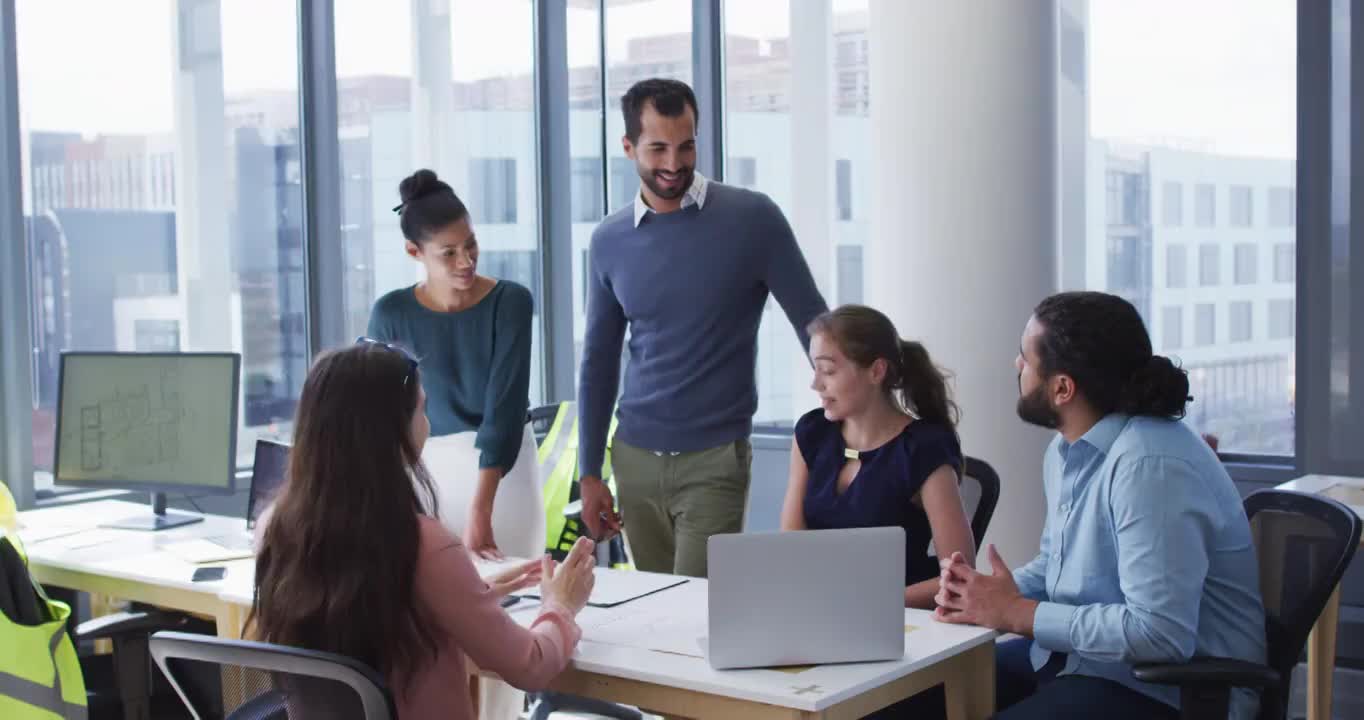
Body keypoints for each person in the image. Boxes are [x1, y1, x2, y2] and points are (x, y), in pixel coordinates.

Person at [935, 291, 1267, 720]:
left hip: (1172, 691)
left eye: (1025, 358)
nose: (1017, 366)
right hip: (1088, 663)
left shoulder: (1150, 465)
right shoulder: (1066, 450)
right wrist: (987, 595)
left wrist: (1019, 614)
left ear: (1062, 388)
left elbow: (1160, 634)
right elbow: (1060, 562)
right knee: (925, 695)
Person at [249, 342, 597, 720]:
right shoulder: (421, 545)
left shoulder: (274, 529)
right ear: (391, 430)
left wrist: (477, 596)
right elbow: (529, 665)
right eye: (421, 409)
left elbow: (368, 609)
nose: (428, 424)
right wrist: (561, 605)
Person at [578, 78, 829, 577]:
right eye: (658, 148)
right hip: (634, 458)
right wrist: (589, 471)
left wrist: (851, 412)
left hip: (715, 458)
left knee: (696, 610)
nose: (674, 163)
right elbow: (599, 362)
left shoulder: (752, 219)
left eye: (686, 145)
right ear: (628, 148)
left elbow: (814, 323)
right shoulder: (608, 241)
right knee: (652, 608)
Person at [366, 168, 541, 564]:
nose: (466, 261)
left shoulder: (510, 303)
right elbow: (380, 415)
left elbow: (505, 411)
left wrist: (482, 510)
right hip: (427, 472)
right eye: (449, 252)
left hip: (504, 474)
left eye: (471, 245)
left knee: (513, 594)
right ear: (415, 252)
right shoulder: (390, 314)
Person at [781, 305, 975, 608]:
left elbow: (961, 577)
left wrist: (871, 605)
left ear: (876, 371)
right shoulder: (812, 432)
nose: (816, 384)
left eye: (829, 371)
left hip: (900, 622)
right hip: (820, 613)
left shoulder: (923, 449)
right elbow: (790, 548)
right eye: (815, 370)